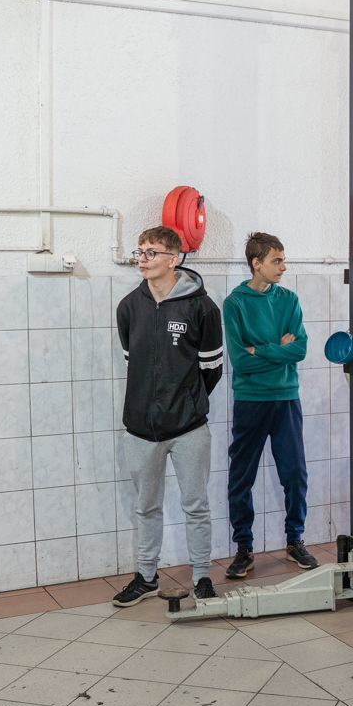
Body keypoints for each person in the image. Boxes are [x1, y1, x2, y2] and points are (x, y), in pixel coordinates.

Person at [112, 227, 224, 606]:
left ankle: (202, 577)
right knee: (146, 507)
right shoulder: (129, 307)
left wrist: (186, 403)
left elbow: (211, 368)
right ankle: (146, 578)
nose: (142, 259)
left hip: (189, 428)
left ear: (174, 259)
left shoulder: (203, 308)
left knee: (196, 506)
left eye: (151, 252)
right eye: (140, 252)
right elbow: (135, 362)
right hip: (140, 429)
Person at [223, 232, 317, 578]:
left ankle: (295, 540)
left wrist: (259, 350)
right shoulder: (235, 304)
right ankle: (244, 548)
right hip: (250, 400)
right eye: (277, 261)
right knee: (241, 476)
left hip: (286, 398)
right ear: (256, 263)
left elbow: (300, 349)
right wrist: (278, 349)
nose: (283, 267)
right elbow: (239, 360)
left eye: (283, 260)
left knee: (295, 474)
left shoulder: (289, 300)